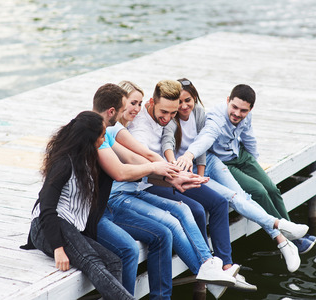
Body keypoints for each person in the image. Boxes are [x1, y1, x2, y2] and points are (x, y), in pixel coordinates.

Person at [92, 83, 238, 299]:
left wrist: (177, 178)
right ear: (114, 109)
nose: (135, 109)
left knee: (182, 210)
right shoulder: (108, 131)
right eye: (130, 104)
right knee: (168, 224)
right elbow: (127, 169)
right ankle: (204, 268)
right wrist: (172, 175)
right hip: (115, 199)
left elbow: (147, 158)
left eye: (138, 104)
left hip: (133, 191)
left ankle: (207, 265)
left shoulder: (115, 131)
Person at [122, 80, 256, 296]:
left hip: (168, 173)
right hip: (149, 181)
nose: (168, 118)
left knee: (216, 202)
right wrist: (174, 175)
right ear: (151, 102)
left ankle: (221, 266)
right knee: (190, 209)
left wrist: (184, 171)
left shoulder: (172, 115)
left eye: (172, 113)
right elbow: (145, 164)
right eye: (164, 112)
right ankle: (207, 271)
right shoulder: (139, 129)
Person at [162, 78, 311, 274]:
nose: (183, 106)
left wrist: (199, 167)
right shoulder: (178, 120)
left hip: (209, 163)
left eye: (188, 100)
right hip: (186, 170)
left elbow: (207, 142)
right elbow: (179, 141)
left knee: (246, 195)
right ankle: (281, 236)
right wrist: (181, 161)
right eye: (179, 102)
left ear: (195, 99)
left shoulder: (198, 112)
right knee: (233, 198)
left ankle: (284, 239)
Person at [21, 111, 135, 300]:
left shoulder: (88, 161)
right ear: (89, 139)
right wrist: (58, 248)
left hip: (71, 229)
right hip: (49, 228)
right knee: (92, 262)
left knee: (114, 261)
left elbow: (123, 171)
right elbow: (46, 207)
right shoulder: (64, 163)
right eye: (101, 135)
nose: (104, 138)